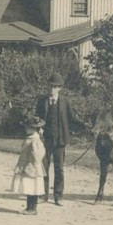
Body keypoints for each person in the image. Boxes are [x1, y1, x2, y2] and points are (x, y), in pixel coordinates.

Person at [35, 72, 81, 205]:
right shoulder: (42, 101)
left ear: (60, 88)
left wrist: (85, 126)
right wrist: (38, 128)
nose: (52, 89)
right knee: (43, 167)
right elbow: (37, 118)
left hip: (60, 140)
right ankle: (43, 195)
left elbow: (72, 119)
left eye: (55, 87)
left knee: (59, 169)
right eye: (50, 86)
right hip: (45, 140)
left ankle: (58, 196)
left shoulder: (65, 101)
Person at [10, 116, 47, 215]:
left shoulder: (35, 140)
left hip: (32, 168)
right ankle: (30, 207)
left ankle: (32, 208)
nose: (26, 129)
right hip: (29, 166)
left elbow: (38, 154)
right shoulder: (31, 138)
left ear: (34, 128)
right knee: (30, 188)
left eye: (28, 127)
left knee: (32, 188)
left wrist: (32, 165)